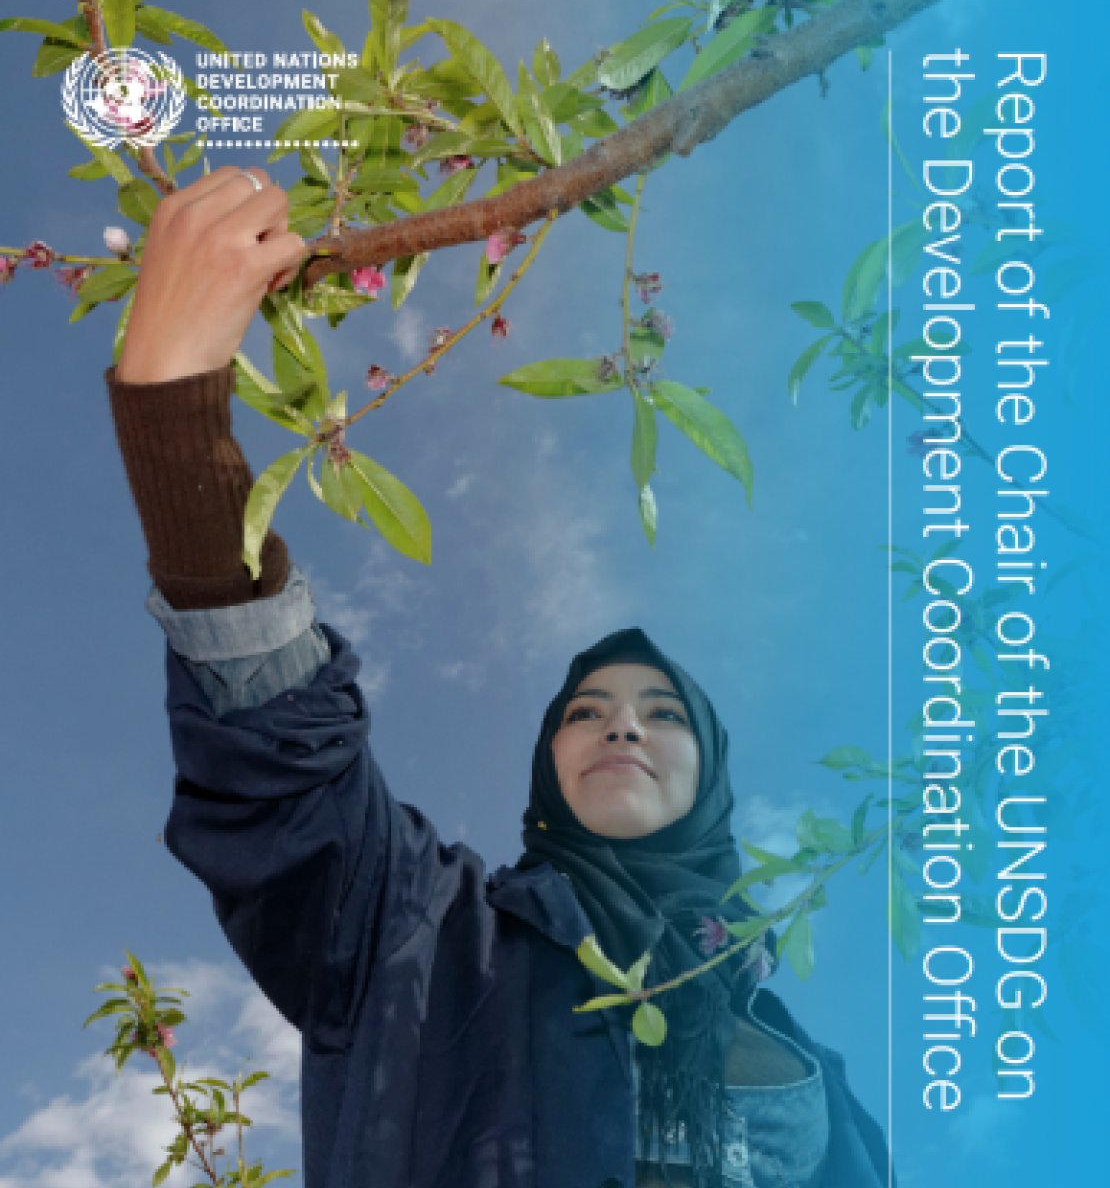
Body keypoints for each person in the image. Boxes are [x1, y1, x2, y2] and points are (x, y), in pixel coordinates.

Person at [105, 167, 894, 1188]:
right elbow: (286, 770)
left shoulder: (804, 1056)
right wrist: (177, 415)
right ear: (547, 763)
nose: (622, 728)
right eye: (586, 711)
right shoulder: (428, 934)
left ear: (712, 775)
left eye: (662, 714)